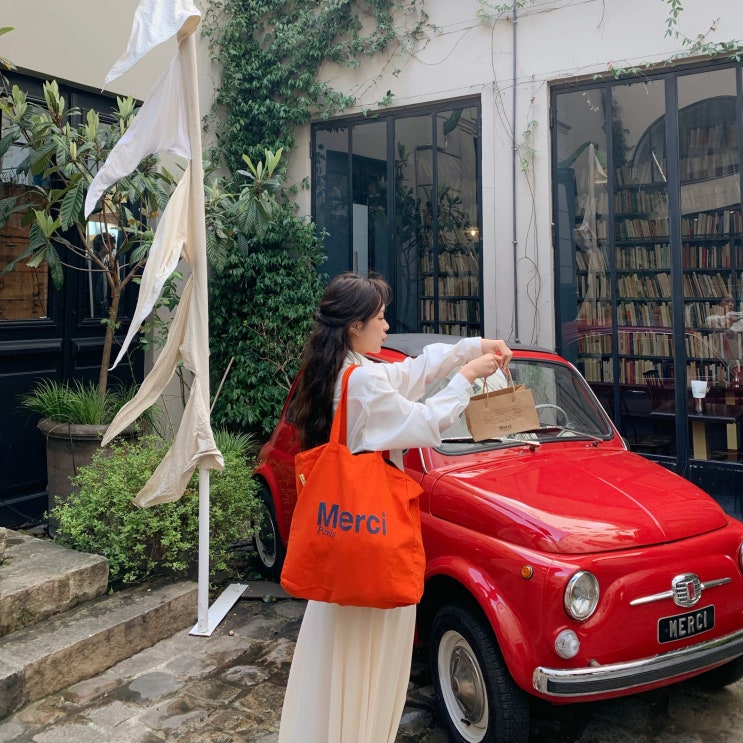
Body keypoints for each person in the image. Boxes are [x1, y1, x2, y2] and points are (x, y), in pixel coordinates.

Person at [278, 271, 512, 743]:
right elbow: (425, 422)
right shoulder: (362, 381)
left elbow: (416, 370)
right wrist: (467, 377)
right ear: (354, 326)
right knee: (370, 665)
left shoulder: (343, 371)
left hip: (346, 551)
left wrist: (473, 347)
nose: (387, 326)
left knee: (339, 664)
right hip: (372, 551)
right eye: (380, 318)